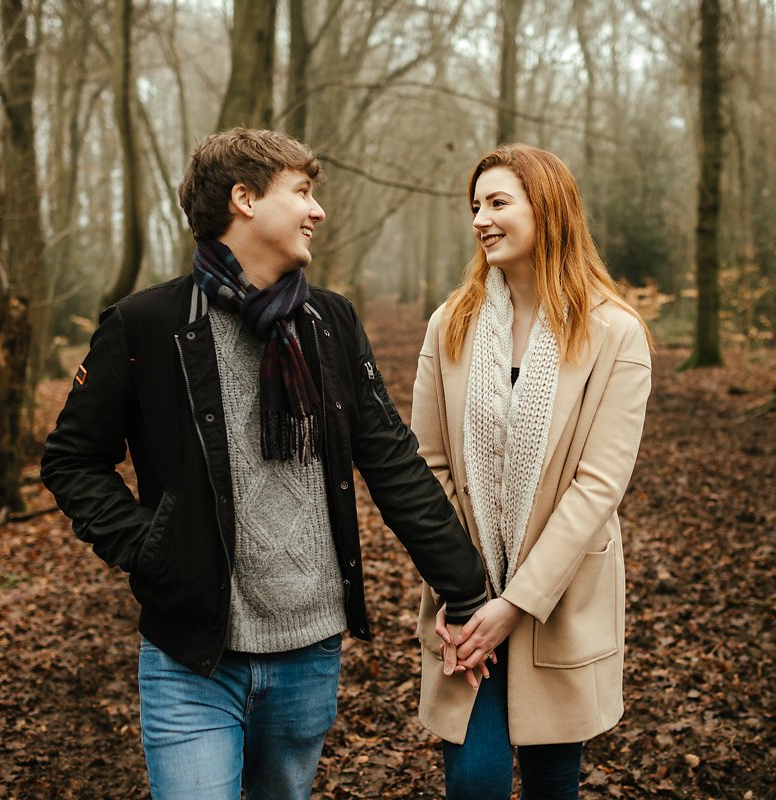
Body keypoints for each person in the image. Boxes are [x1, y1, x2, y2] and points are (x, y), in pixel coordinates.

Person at [40, 128, 486, 800]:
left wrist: (467, 587)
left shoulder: (329, 322)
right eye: (302, 192)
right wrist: (147, 547)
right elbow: (73, 460)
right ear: (244, 199)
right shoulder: (146, 325)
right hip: (193, 654)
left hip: (309, 651)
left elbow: (391, 458)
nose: (317, 210)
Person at [409, 144, 653, 799]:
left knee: (552, 782)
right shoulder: (450, 325)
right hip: (465, 595)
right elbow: (426, 464)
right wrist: (459, 587)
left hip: (559, 598)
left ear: (546, 210)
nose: (481, 220)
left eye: (497, 203)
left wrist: (515, 604)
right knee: (476, 780)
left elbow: (598, 485)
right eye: (474, 207)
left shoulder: (615, 332)